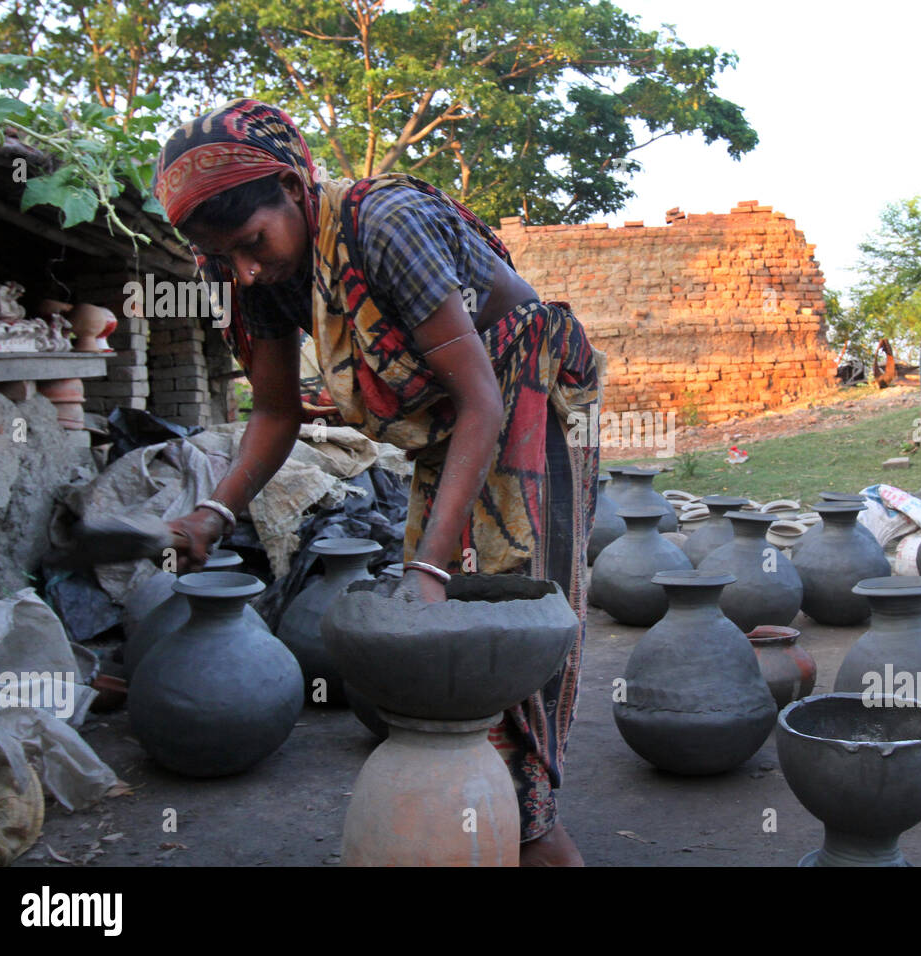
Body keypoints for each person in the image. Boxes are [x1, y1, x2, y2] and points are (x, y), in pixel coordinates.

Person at [154, 99, 599, 863]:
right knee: (436, 615)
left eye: (252, 242)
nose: (245, 268)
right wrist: (212, 514)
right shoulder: (245, 272)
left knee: (511, 603)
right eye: (225, 256)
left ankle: (533, 825)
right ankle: (493, 815)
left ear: (294, 189)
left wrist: (430, 563)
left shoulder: (383, 225)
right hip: (446, 432)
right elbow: (272, 413)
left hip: (524, 397)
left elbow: (481, 398)